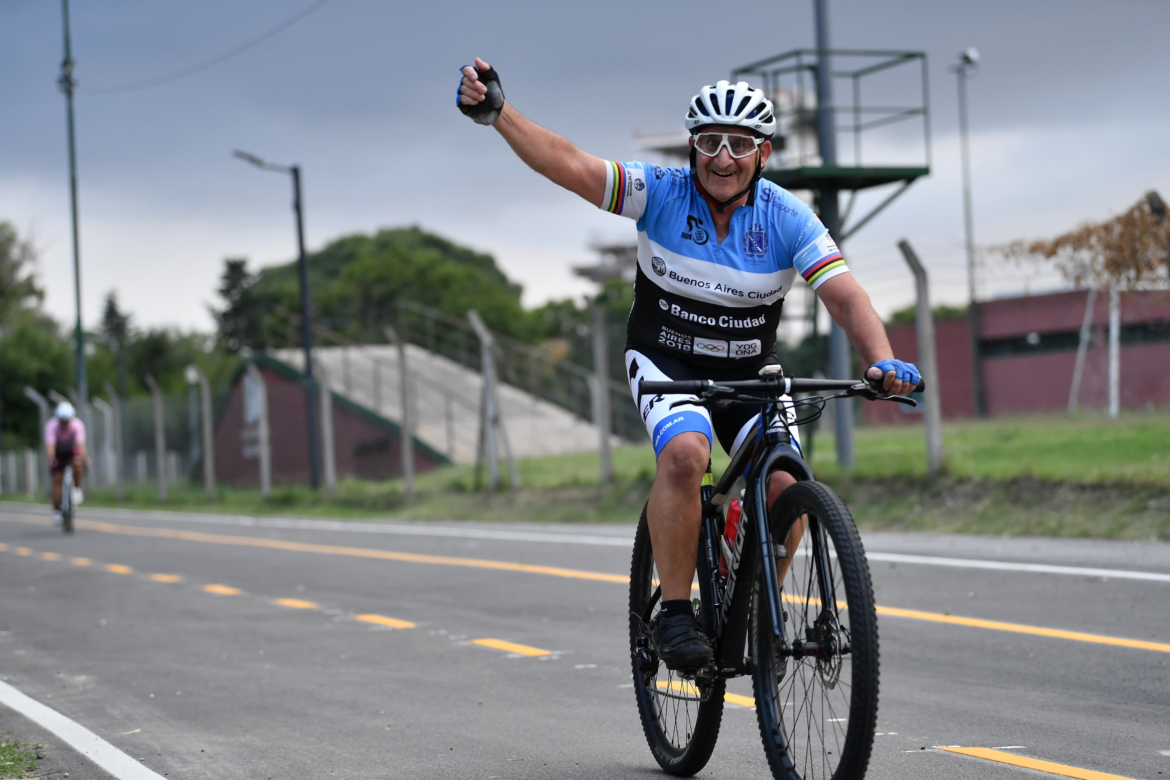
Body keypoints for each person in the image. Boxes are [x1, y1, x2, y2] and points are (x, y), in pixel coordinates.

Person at [456, 60, 919, 669]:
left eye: (740, 145)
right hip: (665, 360)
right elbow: (569, 164)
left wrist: (881, 361)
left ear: (764, 154)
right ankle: (675, 613)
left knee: (786, 484)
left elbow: (846, 297)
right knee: (685, 453)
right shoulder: (660, 192)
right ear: (692, 147)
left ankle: (757, 603)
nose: (723, 159)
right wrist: (500, 115)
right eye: (710, 142)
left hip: (750, 372)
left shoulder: (788, 217)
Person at [45, 401, 87, 525]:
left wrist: (82, 458)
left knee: (78, 463)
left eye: (67, 420)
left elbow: (80, 445)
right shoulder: (52, 425)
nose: (64, 423)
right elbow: (50, 445)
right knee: (57, 478)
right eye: (62, 421)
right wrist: (51, 458)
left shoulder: (77, 425)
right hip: (58, 451)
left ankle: (77, 488)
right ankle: (56, 509)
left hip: (71, 450)